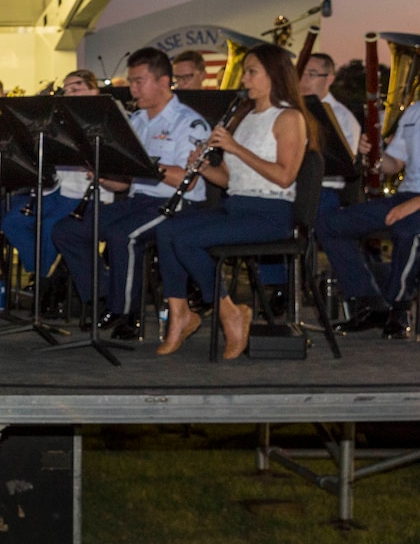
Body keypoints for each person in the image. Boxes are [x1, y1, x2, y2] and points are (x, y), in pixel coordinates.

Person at [153, 45, 314, 357]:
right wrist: (203, 167)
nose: (245, 79)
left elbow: (284, 176)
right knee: (166, 230)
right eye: (245, 71)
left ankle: (228, 312)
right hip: (237, 206)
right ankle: (181, 315)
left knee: (188, 240)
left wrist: (236, 148)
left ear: (274, 75)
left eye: (252, 72)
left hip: (270, 213)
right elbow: (231, 179)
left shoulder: (289, 117)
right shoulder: (243, 117)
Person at [52, 48, 210, 340]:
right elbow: (125, 184)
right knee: (67, 230)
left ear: (163, 82)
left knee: (123, 235)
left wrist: (147, 166)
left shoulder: (188, 122)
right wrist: (104, 175)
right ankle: (102, 297)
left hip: (177, 204)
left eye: (139, 81)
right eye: (132, 81)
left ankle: (126, 312)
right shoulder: (136, 121)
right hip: (139, 201)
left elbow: (187, 181)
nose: (132, 88)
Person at [320, 44, 420, 339]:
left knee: (409, 229)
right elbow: (394, 164)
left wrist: (418, 203)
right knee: (330, 223)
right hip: (410, 196)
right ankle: (369, 302)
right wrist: (374, 157)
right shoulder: (417, 112)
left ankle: (398, 308)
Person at [0, 70, 105, 282]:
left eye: (76, 88)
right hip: (57, 189)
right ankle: (42, 273)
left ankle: (43, 282)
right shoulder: (61, 120)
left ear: (94, 91)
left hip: (87, 193)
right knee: (12, 222)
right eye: (66, 90)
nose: (69, 94)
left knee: (49, 227)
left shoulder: (103, 118)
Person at [299, 52, 362, 215]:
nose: (303, 80)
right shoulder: (291, 110)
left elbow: (344, 162)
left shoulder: (342, 117)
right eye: (301, 73)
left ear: (329, 79)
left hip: (323, 192)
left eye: (312, 74)